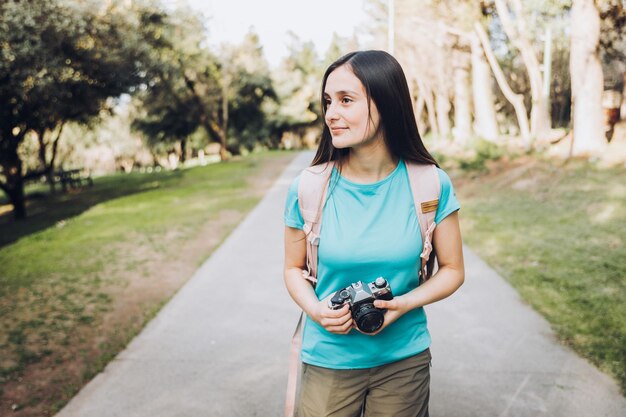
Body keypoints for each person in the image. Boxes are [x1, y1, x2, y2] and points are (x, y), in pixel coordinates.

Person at [283, 50, 465, 417]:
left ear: (386, 103)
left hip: (404, 361)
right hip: (328, 361)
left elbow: (453, 270)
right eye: (328, 101)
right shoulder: (307, 188)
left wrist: (405, 304)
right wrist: (317, 311)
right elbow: (292, 270)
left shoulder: (430, 183)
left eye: (346, 100)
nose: (331, 113)